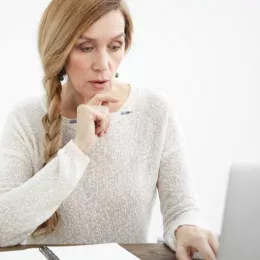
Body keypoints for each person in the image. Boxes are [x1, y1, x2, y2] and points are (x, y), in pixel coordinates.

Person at [0, 0, 219, 259]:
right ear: (59, 50)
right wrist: (78, 149)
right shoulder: (26, 119)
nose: (103, 64)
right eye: (86, 47)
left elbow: (182, 208)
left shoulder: (154, 111)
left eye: (115, 46)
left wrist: (186, 228)